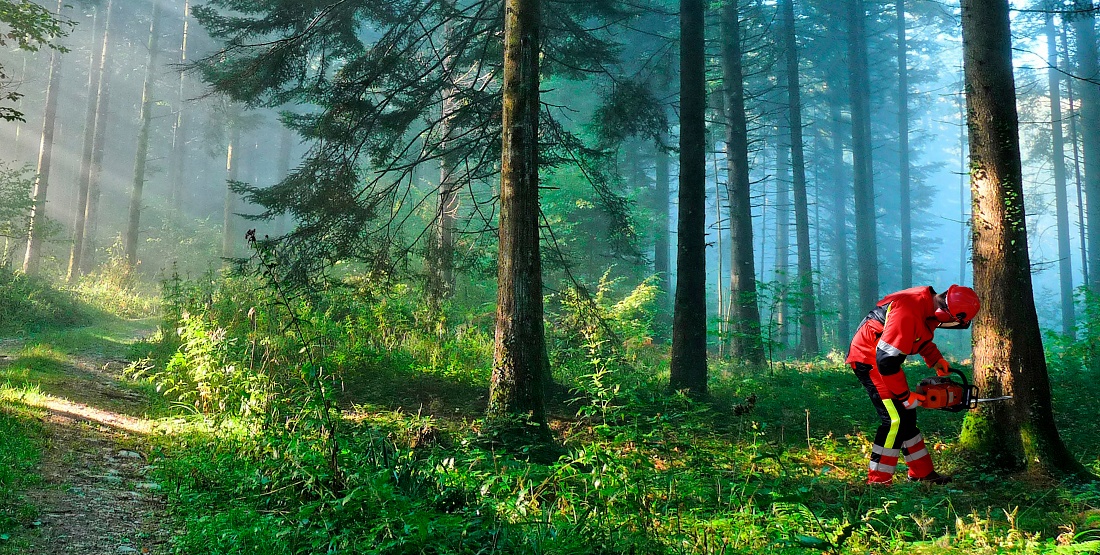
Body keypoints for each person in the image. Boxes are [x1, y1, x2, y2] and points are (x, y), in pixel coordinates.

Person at [846, 284, 981, 485]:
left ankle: (922, 473)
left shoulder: (926, 305)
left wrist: (936, 359)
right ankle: (878, 482)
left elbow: (920, 337)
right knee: (895, 420)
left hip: (882, 360)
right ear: (946, 312)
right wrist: (904, 396)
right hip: (869, 359)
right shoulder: (908, 311)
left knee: (907, 417)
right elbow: (887, 361)